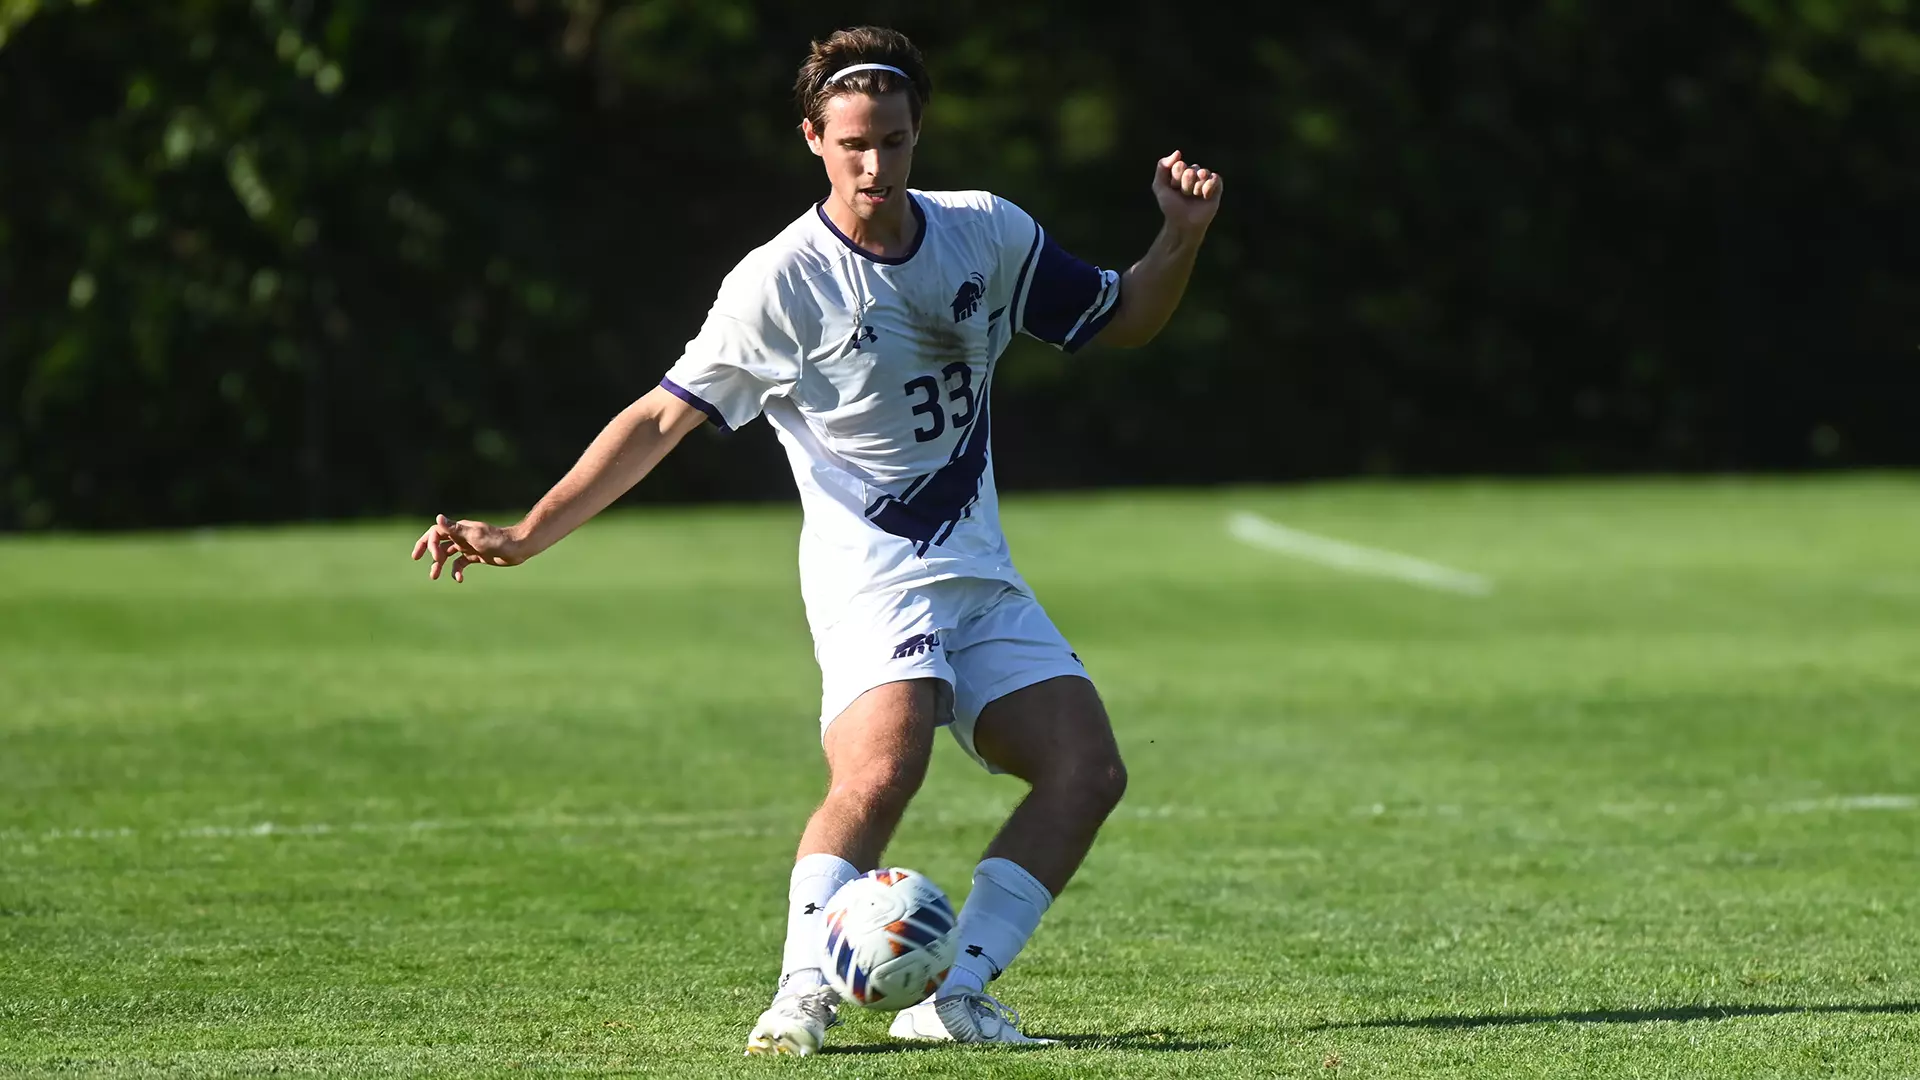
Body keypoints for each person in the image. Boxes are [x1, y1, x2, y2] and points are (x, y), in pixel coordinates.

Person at [410, 24, 1223, 1057]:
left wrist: (1181, 236)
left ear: (919, 130)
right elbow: (662, 418)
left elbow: (1126, 317)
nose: (874, 164)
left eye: (892, 139)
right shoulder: (781, 281)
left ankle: (956, 995)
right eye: (852, 144)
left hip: (979, 575)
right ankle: (800, 993)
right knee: (883, 769)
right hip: (870, 580)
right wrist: (527, 533)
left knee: (1087, 770)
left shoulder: (986, 233)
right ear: (813, 139)